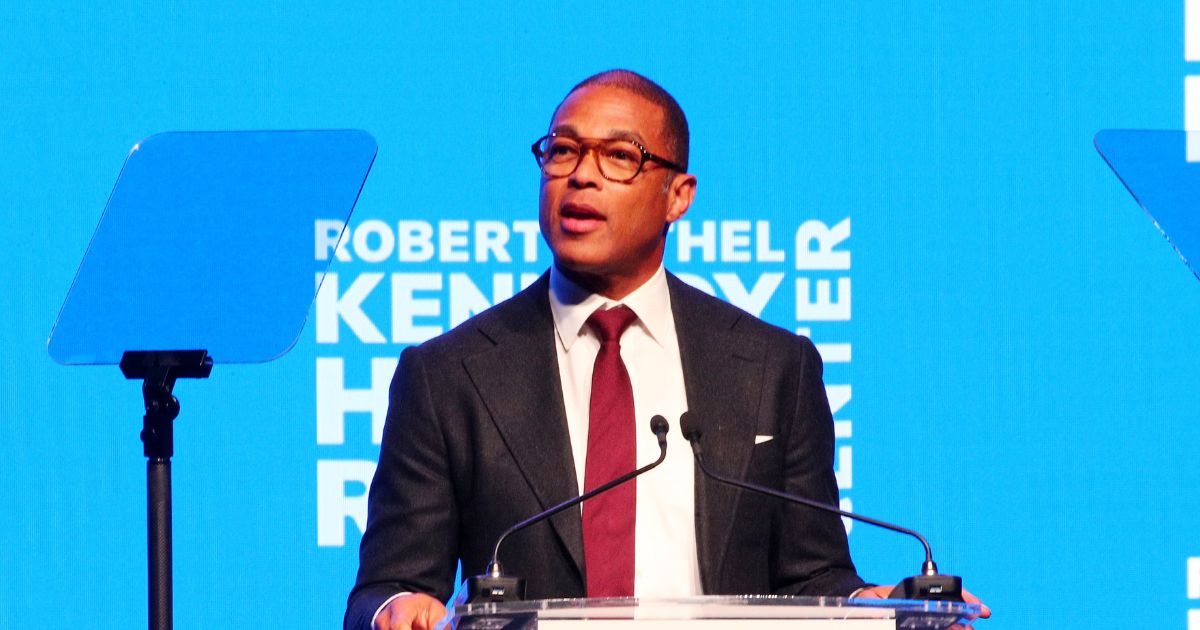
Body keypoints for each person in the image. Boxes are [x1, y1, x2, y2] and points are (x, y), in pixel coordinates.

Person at [345, 70, 987, 630]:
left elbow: (811, 577)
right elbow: (385, 586)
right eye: (562, 151)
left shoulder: (772, 370)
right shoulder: (448, 375)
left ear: (678, 196)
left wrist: (876, 609)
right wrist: (398, 607)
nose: (581, 177)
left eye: (619, 156)